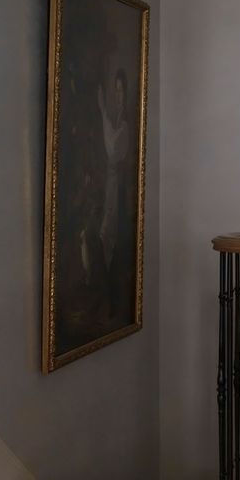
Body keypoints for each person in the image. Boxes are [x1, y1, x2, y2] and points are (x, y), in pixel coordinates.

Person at [97, 69, 131, 313]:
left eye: (121, 91)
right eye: (115, 90)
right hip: (110, 185)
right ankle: (106, 294)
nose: (117, 95)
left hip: (118, 189)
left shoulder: (125, 121)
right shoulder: (115, 117)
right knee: (104, 233)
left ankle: (110, 296)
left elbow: (112, 148)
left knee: (111, 234)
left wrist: (101, 111)